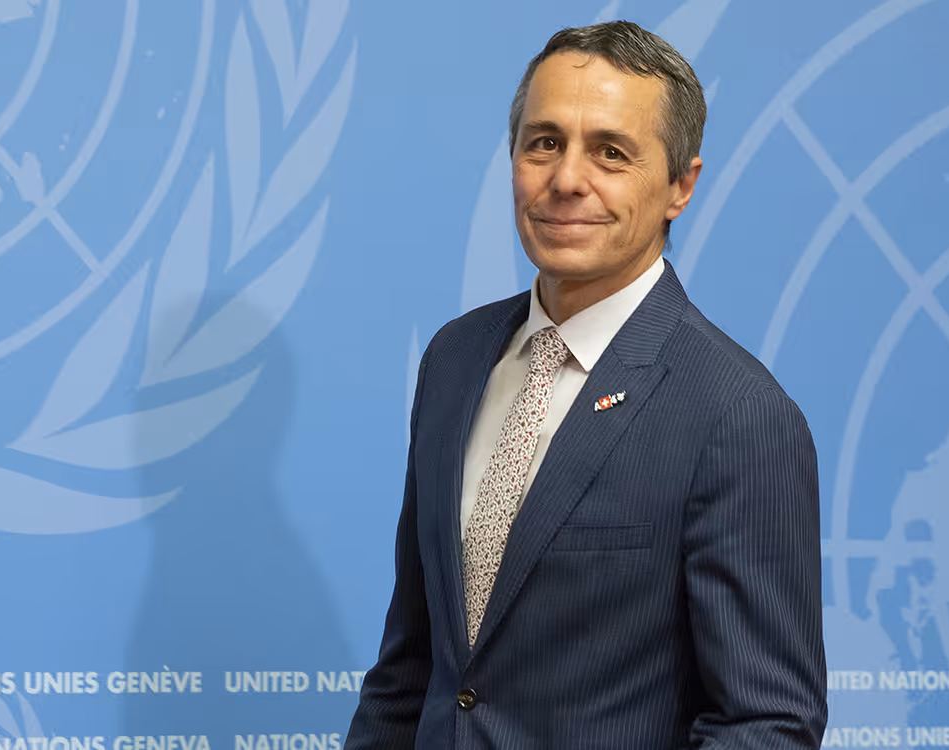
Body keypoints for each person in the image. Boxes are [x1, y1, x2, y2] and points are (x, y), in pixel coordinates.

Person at [345, 21, 827, 749]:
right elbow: (412, 668)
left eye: (610, 152)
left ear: (680, 186)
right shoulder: (454, 359)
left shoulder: (737, 414)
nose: (567, 179)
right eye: (544, 143)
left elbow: (766, 724)